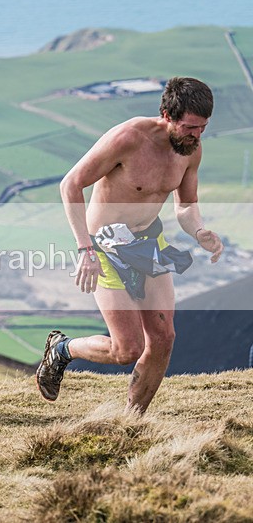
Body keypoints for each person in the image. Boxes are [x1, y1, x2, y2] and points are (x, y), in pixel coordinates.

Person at [36, 77, 224, 413]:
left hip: (148, 242)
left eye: (203, 128)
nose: (196, 136)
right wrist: (85, 250)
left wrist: (199, 231)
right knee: (127, 350)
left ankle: (132, 422)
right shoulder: (127, 138)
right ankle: (62, 349)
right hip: (104, 248)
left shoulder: (190, 150)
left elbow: (185, 205)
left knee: (164, 339)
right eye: (190, 127)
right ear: (166, 114)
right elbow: (70, 185)